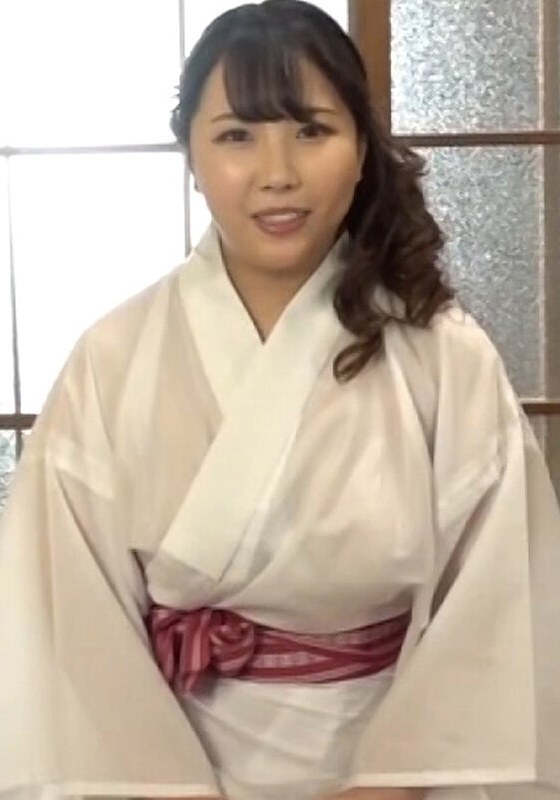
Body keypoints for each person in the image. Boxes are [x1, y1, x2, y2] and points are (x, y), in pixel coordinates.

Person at [0, 2, 559, 800]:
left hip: (398, 774)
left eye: (312, 131)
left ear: (361, 148)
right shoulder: (112, 359)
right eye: (237, 136)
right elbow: (68, 617)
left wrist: (387, 787)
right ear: (191, 156)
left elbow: (498, 598)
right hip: (165, 774)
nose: (277, 173)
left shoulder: (443, 354)